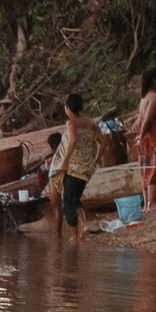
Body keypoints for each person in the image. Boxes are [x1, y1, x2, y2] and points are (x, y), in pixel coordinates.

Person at [59, 93, 101, 243]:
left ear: (69, 109)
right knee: (75, 198)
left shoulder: (71, 123)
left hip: (74, 168)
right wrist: (97, 158)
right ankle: (85, 226)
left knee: (68, 201)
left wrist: (65, 161)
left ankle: (74, 236)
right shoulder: (91, 123)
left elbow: (73, 140)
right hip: (86, 168)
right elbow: (104, 140)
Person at [132, 67, 156, 208]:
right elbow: (146, 120)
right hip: (151, 138)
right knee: (152, 168)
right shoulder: (153, 98)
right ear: (155, 80)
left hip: (145, 137)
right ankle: (151, 202)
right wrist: (140, 137)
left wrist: (139, 137)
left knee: (145, 168)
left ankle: (147, 203)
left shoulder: (144, 99)